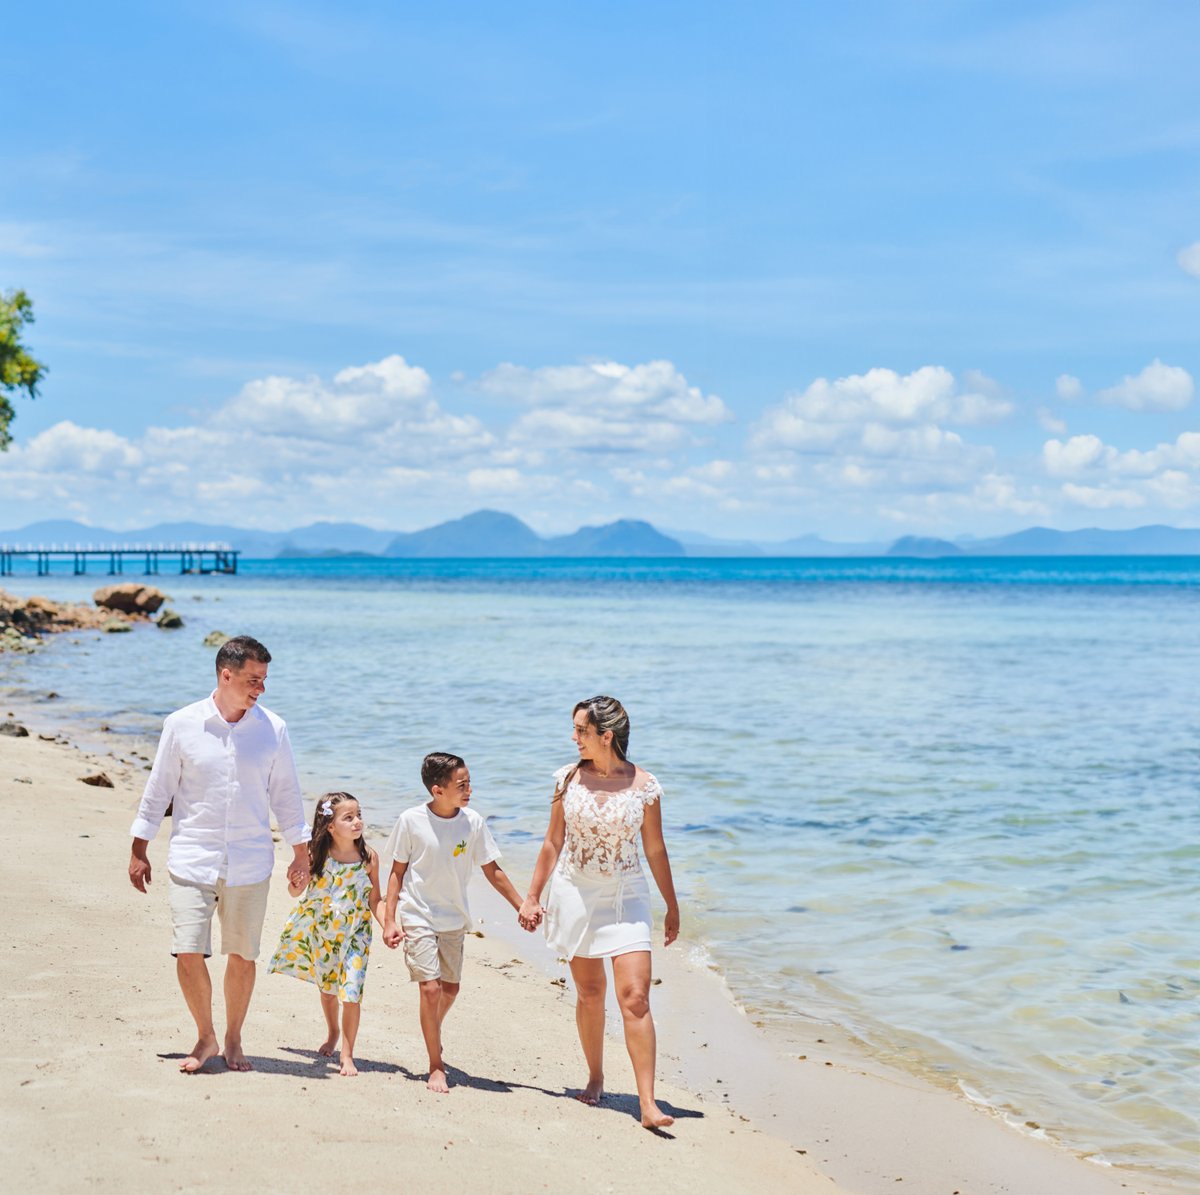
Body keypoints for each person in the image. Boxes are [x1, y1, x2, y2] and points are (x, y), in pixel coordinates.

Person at [127, 635, 310, 1074]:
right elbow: (159, 790)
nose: (260, 689)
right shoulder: (182, 724)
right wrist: (139, 847)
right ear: (225, 675)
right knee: (188, 949)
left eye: (264, 680)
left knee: (243, 954)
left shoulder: (274, 729)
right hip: (192, 856)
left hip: (250, 859)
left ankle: (233, 1036)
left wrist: (301, 855)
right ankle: (206, 1035)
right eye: (253, 679)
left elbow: (287, 797)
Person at [519, 696, 680, 1129]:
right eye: (575, 730)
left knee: (635, 998)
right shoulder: (567, 779)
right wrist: (532, 896)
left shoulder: (644, 786)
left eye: (582, 731)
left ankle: (648, 1104)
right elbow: (552, 843)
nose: (574, 738)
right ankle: (595, 1076)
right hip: (575, 891)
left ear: (606, 736)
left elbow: (655, 849)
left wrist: (671, 905)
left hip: (627, 895)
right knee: (590, 993)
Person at [381, 752, 529, 1093]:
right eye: (461, 785)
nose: (469, 790)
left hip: (453, 917)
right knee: (430, 989)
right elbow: (397, 872)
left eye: (469, 783)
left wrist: (521, 906)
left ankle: (431, 1029)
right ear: (438, 790)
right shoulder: (410, 820)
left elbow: (493, 870)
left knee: (450, 989)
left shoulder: (473, 822)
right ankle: (436, 1065)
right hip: (416, 913)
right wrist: (390, 920)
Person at [268, 791, 383, 1076]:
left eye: (359, 816)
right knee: (329, 992)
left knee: (352, 994)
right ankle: (333, 1032)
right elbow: (296, 891)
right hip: (323, 935)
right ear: (330, 826)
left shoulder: (368, 858)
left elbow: (375, 899)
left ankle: (347, 1054)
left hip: (356, 936)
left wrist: (389, 925)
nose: (357, 822)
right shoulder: (317, 856)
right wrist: (295, 882)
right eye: (349, 817)